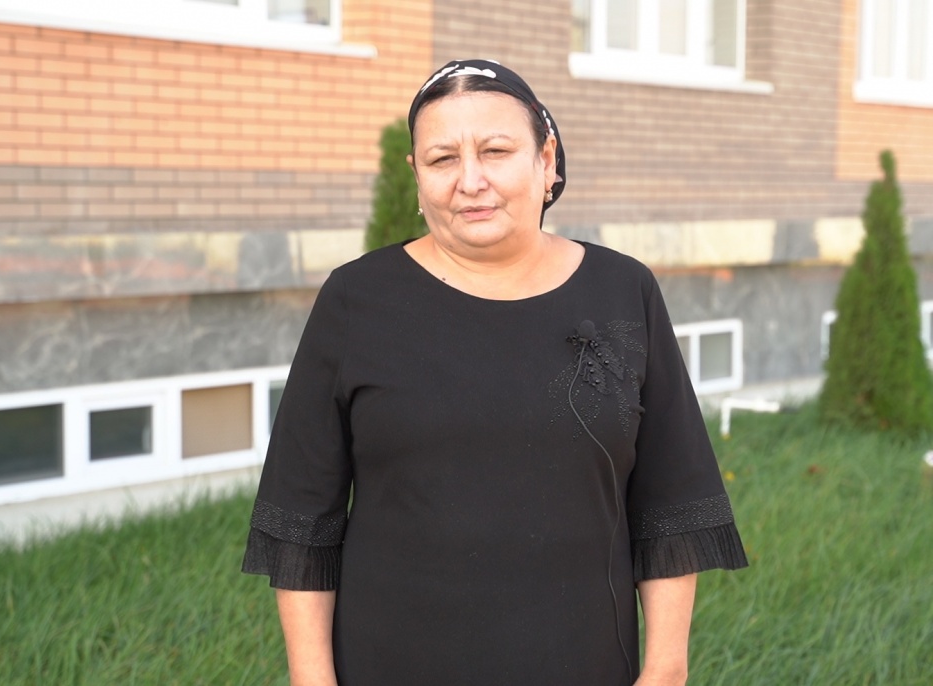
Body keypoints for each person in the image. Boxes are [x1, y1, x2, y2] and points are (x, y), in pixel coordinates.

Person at [242, 59, 748, 686]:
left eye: (495, 151)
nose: (470, 181)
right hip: (392, 662)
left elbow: (671, 501)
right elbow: (301, 517)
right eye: (443, 159)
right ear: (416, 175)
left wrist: (666, 667)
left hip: (583, 660)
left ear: (546, 159)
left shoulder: (623, 291)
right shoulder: (355, 301)